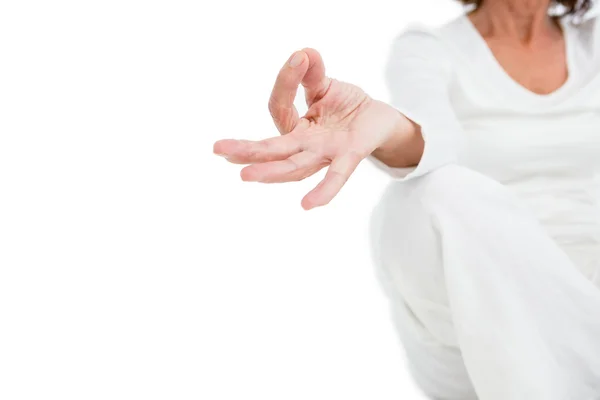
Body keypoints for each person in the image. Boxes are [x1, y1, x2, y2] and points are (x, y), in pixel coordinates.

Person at [213, 0, 600, 398]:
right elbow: (437, 139)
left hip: (587, 276)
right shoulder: (430, 47)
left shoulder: (594, 40)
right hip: (468, 281)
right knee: (437, 190)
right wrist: (391, 128)